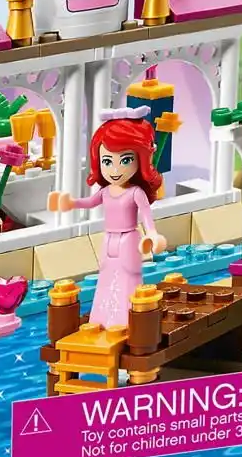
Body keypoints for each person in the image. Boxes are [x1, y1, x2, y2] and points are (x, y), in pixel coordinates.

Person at [46, 108, 168, 327]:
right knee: (106, 277)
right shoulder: (105, 191)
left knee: (129, 277)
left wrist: (152, 235)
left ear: (141, 159)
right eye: (107, 161)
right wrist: (70, 203)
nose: (115, 169)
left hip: (129, 239)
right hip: (109, 238)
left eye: (125, 160)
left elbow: (146, 218)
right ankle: (102, 319)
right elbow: (89, 202)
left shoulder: (135, 193)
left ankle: (126, 320)